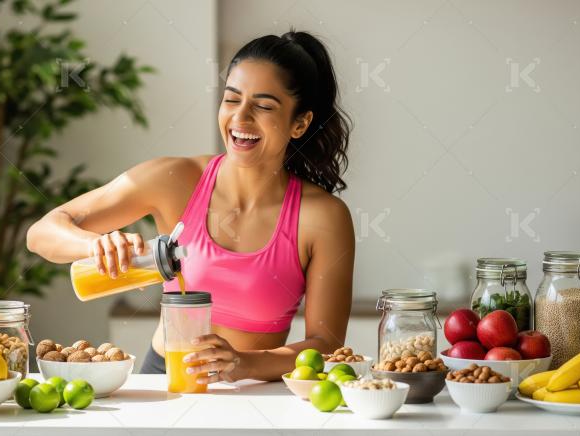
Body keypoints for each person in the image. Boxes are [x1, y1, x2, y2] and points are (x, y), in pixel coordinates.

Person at [27, 30, 354, 384]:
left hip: (257, 393)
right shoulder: (175, 180)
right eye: (231, 100)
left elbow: (327, 345)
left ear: (299, 123)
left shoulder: (323, 217)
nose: (240, 118)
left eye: (263, 106)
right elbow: (41, 233)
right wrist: (92, 245)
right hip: (164, 379)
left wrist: (244, 363)